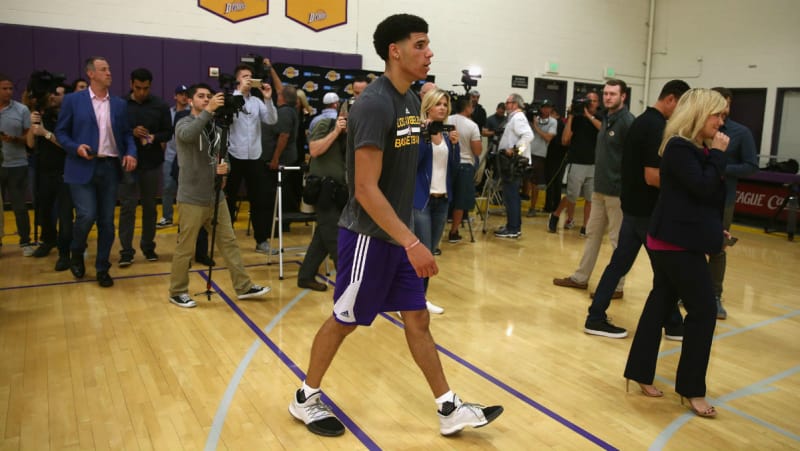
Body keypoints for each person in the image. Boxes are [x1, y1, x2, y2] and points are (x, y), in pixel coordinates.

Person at [288, 14, 503, 438]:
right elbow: (366, 188)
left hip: (396, 236)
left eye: (428, 44)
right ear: (396, 51)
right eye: (420, 44)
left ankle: (448, 407)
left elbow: (404, 152)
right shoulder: (373, 103)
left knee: (417, 318)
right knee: (344, 319)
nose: (429, 52)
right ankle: (304, 397)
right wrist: (412, 242)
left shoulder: (407, 101)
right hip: (371, 236)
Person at [624, 88, 730, 418]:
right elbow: (701, 186)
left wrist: (716, 231)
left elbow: (696, 200)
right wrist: (719, 156)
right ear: (699, 114)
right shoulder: (679, 148)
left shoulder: (694, 149)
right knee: (703, 311)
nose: (721, 122)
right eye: (717, 114)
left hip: (680, 239)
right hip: (675, 245)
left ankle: (639, 372)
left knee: (661, 304)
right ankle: (692, 390)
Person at [584, 80, 690, 338]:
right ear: (671, 99)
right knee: (664, 269)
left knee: (620, 264)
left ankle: (596, 316)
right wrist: (687, 184)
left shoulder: (639, 121)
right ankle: (673, 323)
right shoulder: (654, 126)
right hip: (645, 211)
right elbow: (652, 176)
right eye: (682, 106)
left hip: (633, 208)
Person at [168, 83, 271, 308]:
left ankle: (243, 286)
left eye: (209, 96)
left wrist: (226, 167)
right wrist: (208, 111)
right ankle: (177, 291)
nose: (206, 99)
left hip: (215, 196)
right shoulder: (184, 123)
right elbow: (187, 136)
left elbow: (223, 153)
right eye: (201, 96)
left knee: (229, 242)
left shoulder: (215, 127)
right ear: (190, 100)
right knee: (186, 247)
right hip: (192, 197)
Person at [54, 56, 138, 287]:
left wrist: (131, 153)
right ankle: (76, 251)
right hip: (81, 167)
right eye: (103, 69)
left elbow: (127, 135)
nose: (109, 72)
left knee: (107, 222)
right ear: (90, 74)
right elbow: (61, 132)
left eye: (109, 69)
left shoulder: (119, 104)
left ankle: (102, 267)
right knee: (86, 215)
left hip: (110, 167)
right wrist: (75, 147)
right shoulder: (73, 100)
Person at [553, 80, 634, 291]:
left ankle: (617, 286)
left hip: (616, 191)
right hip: (600, 187)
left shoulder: (627, 122)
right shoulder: (607, 118)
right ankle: (580, 278)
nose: (608, 97)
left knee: (617, 240)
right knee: (592, 234)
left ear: (623, 97)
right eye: (606, 93)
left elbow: (632, 157)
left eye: (613, 94)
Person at [707, 87, 759, 320]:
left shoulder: (741, 132)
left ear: (729, 105)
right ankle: (688, 290)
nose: (721, 109)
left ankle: (715, 296)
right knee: (691, 245)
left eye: (724, 104)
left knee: (718, 246)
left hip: (723, 199)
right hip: (696, 195)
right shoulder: (700, 129)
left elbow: (750, 165)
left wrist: (721, 167)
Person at [118, 67, 172, 266]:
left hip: (152, 162)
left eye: (146, 88)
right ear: (131, 84)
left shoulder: (160, 105)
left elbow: (168, 132)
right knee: (127, 207)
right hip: (128, 163)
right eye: (138, 87)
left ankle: (148, 246)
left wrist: (152, 137)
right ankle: (126, 251)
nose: (142, 92)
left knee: (150, 207)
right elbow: (114, 131)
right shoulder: (121, 104)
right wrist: (131, 132)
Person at [413, 88, 460, 314]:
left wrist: (456, 144)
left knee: (429, 253)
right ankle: (413, 301)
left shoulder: (447, 134)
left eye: (445, 104)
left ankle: (419, 298)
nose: (442, 107)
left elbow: (454, 168)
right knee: (421, 254)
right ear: (428, 106)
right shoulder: (419, 130)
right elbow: (415, 164)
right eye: (438, 104)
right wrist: (424, 135)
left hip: (442, 200)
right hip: (422, 200)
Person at [223, 62, 278, 253]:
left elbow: (271, 120)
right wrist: (239, 93)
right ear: (237, 79)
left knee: (260, 199)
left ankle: (262, 241)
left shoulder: (257, 102)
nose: (248, 79)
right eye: (244, 76)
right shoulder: (230, 99)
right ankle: (226, 241)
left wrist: (269, 99)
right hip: (234, 155)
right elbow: (227, 115)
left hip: (255, 156)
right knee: (229, 200)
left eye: (250, 76)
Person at [296, 95, 348, 292]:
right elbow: (315, 150)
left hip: (341, 192)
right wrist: (336, 131)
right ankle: (347, 282)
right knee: (335, 237)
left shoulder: (353, 134)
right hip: (323, 190)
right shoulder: (326, 124)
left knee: (322, 237)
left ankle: (305, 276)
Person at [26, 81, 74, 269]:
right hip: (43, 171)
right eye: (51, 93)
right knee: (43, 208)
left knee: (64, 214)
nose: (53, 96)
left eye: (58, 93)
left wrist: (45, 133)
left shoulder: (68, 117)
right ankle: (48, 240)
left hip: (64, 171)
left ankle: (64, 252)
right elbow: (30, 144)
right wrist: (33, 126)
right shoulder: (42, 116)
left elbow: (67, 146)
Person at [548, 91, 600, 234]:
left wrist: (589, 116)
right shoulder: (577, 118)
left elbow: (603, 130)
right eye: (588, 100)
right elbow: (565, 140)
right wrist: (571, 115)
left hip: (594, 164)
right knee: (572, 195)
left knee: (590, 198)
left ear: (598, 103)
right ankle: (556, 214)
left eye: (594, 100)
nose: (590, 103)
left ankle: (585, 226)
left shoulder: (601, 117)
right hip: (576, 162)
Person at [0, 73, 33, 256]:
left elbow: (29, 139)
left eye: (10, 88)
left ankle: (25, 242)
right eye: (4, 88)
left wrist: (14, 139)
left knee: (19, 206)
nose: (8, 92)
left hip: (17, 164)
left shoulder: (22, 110)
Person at [494, 93, 533, 238]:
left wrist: (516, 150)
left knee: (511, 196)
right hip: (511, 162)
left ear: (515, 104)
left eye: (508, 102)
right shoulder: (514, 118)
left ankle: (513, 228)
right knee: (510, 195)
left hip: (514, 163)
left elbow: (528, 136)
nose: (506, 106)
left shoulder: (518, 117)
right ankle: (512, 225)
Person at [446, 95, 481, 243]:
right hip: (465, 165)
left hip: (446, 163)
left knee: (443, 198)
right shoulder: (472, 125)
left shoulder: (447, 120)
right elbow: (477, 150)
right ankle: (454, 231)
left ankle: (437, 229)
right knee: (460, 202)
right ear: (467, 108)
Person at [157, 84, 191, 229]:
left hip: (188, 158)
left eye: (185, 94)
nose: (183, 97)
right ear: (175, 96)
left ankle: (187, 219)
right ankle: (167, 216)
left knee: (187, 190)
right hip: (170, 156)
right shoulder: (168, 113)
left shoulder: (192, 113)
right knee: (168, 187)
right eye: (180, 94)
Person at [525, 100, 557, 216]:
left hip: (540, 154)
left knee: (535, 182)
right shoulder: (534, 118)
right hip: (527, 152)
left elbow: (548, 138)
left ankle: (532, 207)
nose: (546, 110)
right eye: (543, 107)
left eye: (548, 107)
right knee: (524, 179)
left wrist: (536, 126)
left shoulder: (553, 122)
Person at [544, 107, 567, 213]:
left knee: (553, 181)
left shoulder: (559, 124)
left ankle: (551, 206)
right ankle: (551, 205)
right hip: (554, 156)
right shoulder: (558, 124)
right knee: (553, 181)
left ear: (556, 114)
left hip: (557, 156)